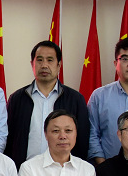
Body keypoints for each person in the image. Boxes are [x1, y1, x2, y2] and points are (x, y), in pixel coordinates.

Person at [6, 41, 89, 169]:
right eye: (39, 60)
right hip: (25, 171)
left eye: (50, 60)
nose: (44, 65)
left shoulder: (75, 99)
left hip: (63, 172)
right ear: (32, 64)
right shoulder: (17, 99)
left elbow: (82, 140)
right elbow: (9, 138)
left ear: (59, 65)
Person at [20, 109, 101, 176]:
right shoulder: (29, 168)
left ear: (76, 133)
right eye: (56, 131)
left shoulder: (87, 169)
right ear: (45, 134)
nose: (62, 136)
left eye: (68, 130)